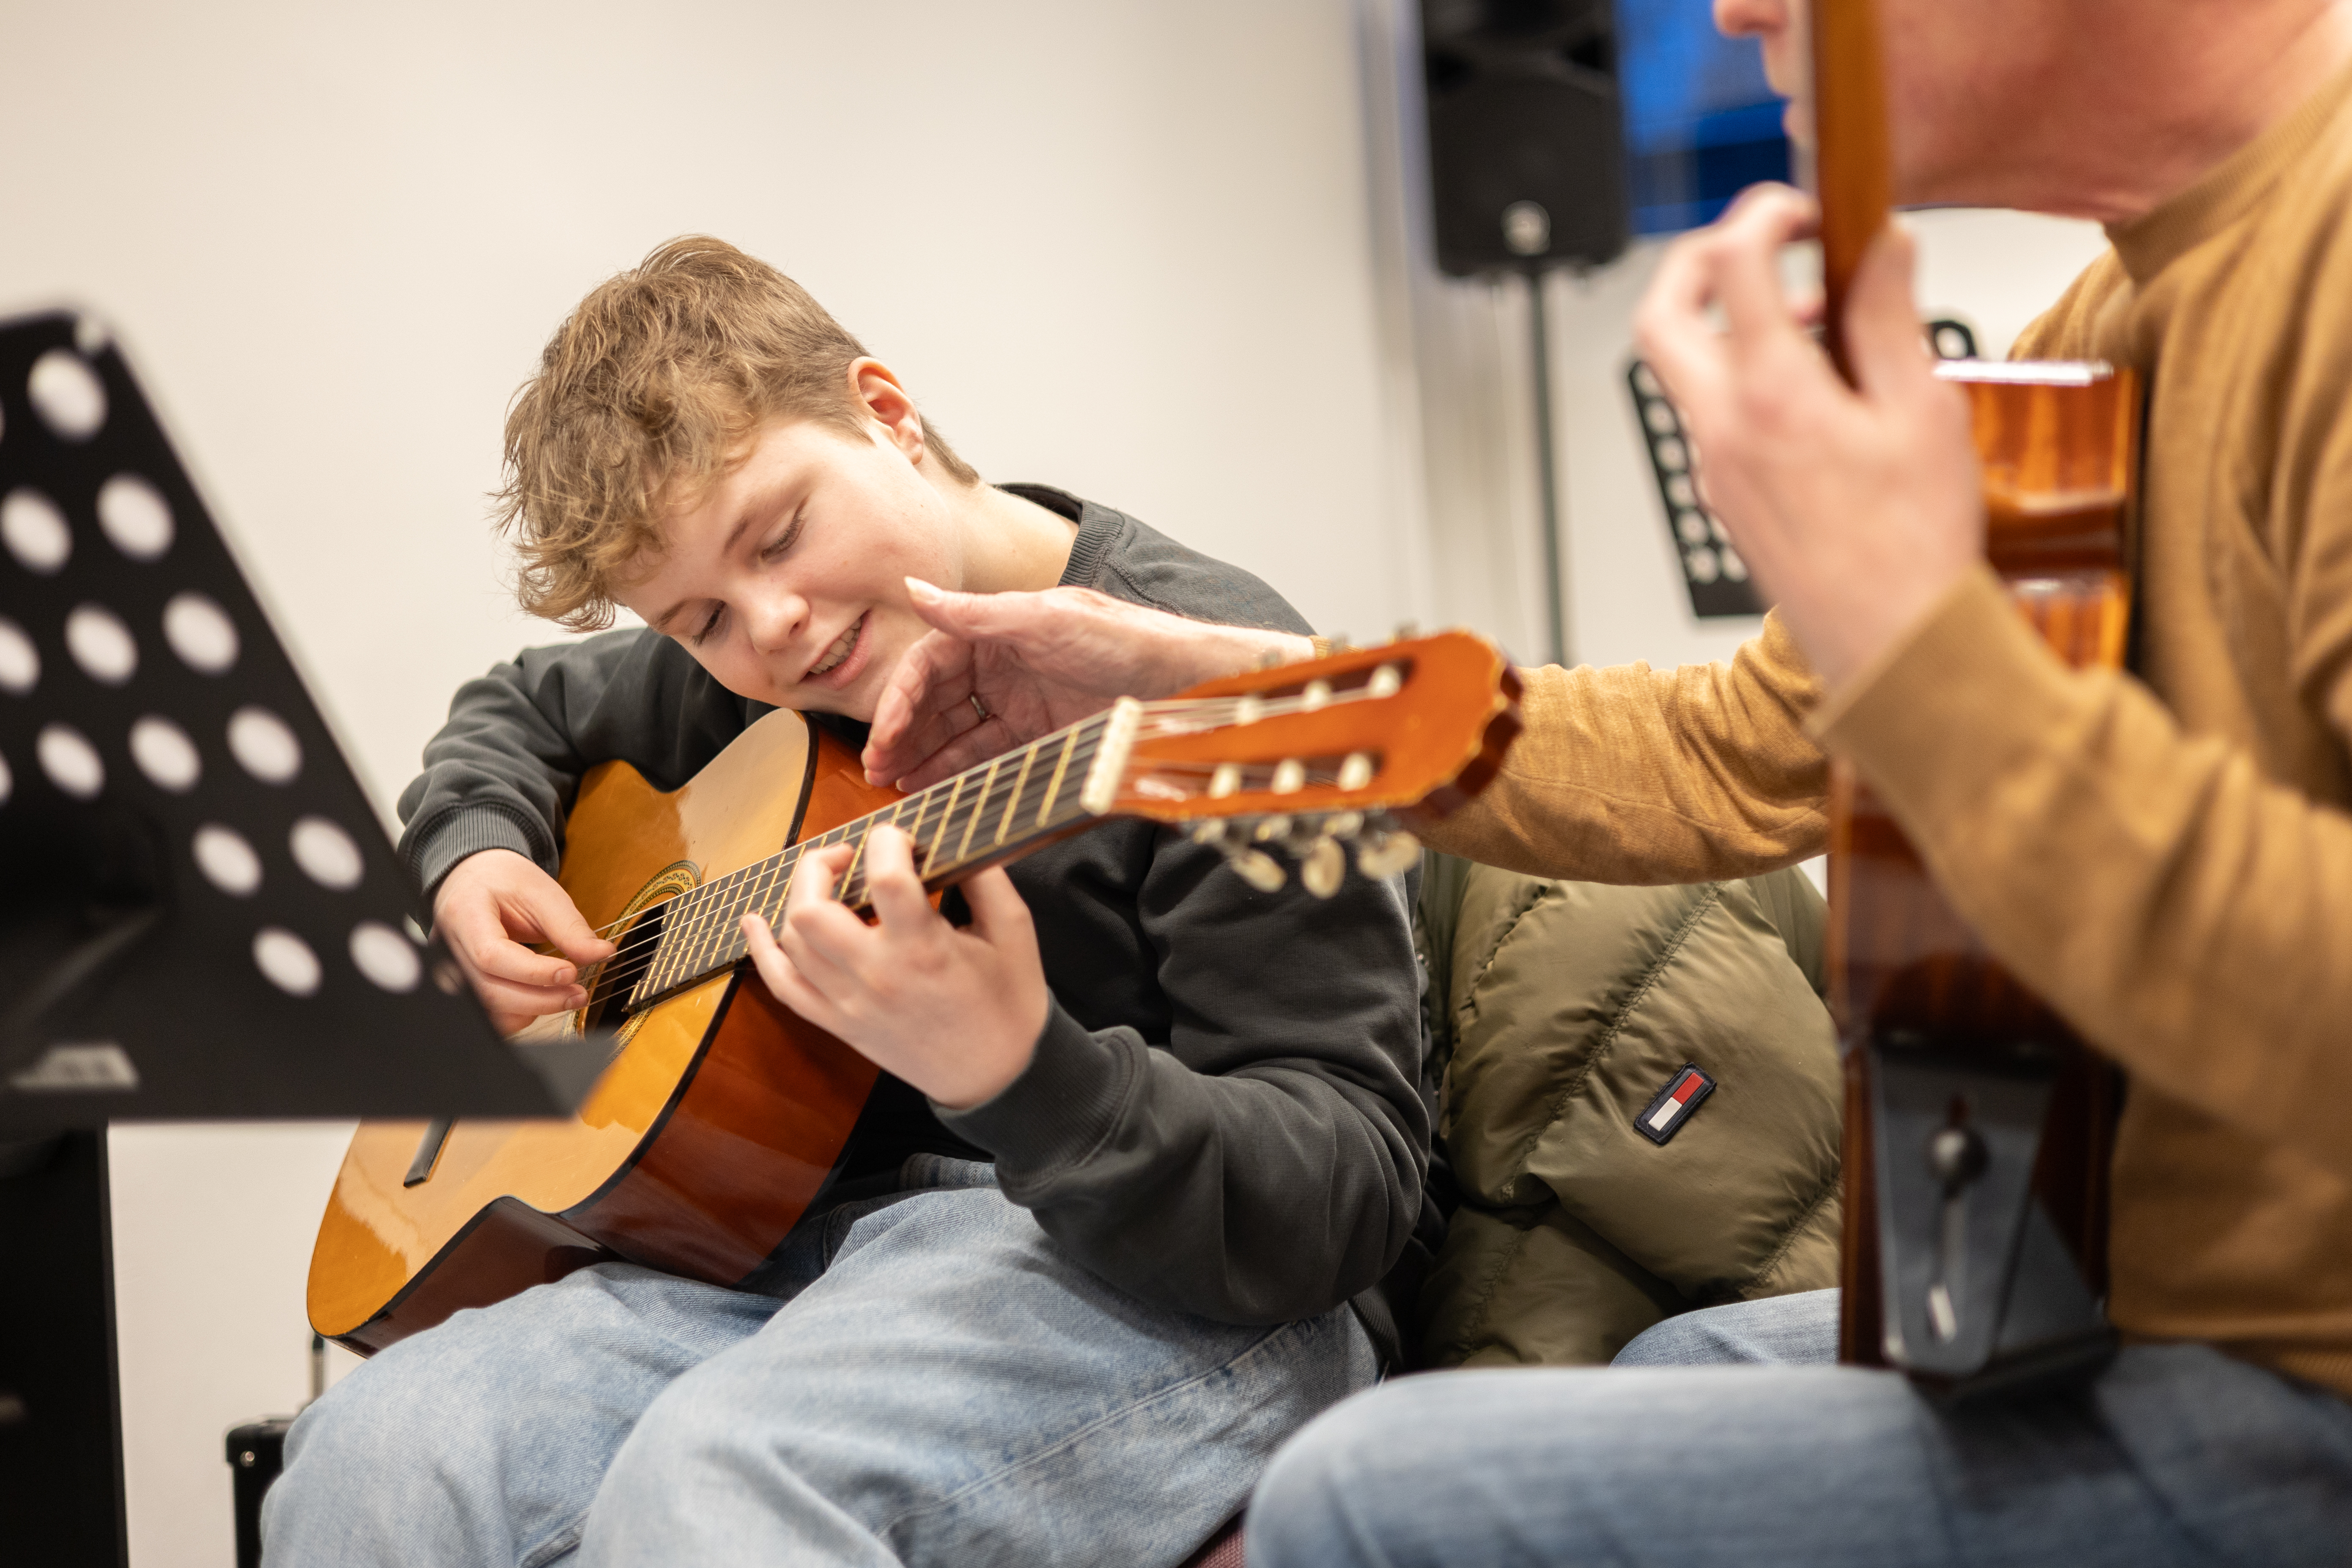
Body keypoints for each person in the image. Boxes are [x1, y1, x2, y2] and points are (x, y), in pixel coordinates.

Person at [854, 0, 2352, 1559]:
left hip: (2300, 1385)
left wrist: (1905, 629)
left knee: (1358, 1499)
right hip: (2125, 1300)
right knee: (1690, 1348)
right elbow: (1731, 750)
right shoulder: (2106, 318)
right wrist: (1196, 686)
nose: (1735, 11)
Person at [261, 237, 1438, 1567]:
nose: (771, 626)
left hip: (1173, 1284)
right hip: (794, 1251)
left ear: (886, 411)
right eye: (698, 617)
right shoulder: (760, 676)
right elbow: (517, 708)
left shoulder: (1206, 673)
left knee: (716, 1485)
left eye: (781, 533)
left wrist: (1017, 1068)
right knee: (372, 1460)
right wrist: (473, 852)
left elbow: (1347, 1185)